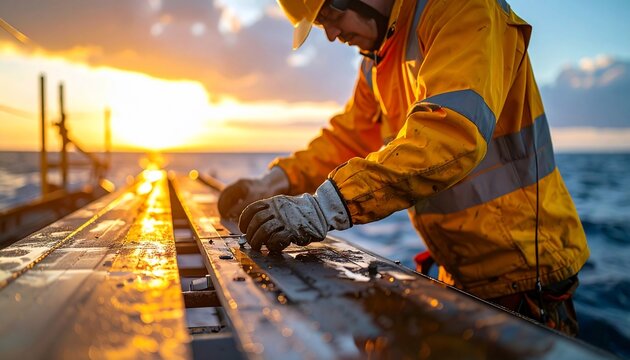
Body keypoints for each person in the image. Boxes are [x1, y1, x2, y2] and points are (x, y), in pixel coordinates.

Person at [218, 0, 589, 336]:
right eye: (320, 25)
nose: (331, 35)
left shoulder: (464, 9)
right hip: (460, 272)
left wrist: (324, 207)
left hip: (526, 273)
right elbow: (345, 139)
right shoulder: (376, 64)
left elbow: (450, 134)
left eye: (331, 16)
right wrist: (273, 181)